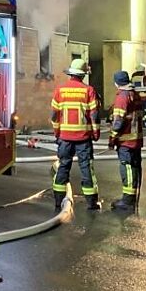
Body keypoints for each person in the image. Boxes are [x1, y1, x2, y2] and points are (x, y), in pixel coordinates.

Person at [51, 58, 102, 210]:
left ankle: (58, 200)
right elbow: (94, 115)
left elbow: (54, 115)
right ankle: (91, 203)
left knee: (63, 167)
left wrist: (57, 131)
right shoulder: (89, 90)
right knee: (86, 167)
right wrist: (95, 132)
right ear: (83, 74)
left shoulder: (60, 90)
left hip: (64, 137)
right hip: (83, 138)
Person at [108, 70, 144, 211]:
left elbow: (118, 121)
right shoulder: (135, 94)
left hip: (125, 140)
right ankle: (132, 197)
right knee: (135, 167)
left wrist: (112, 138)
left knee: (127, 167)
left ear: (116, 83)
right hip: (136, 139)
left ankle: (128, 201)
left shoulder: (122, 97)